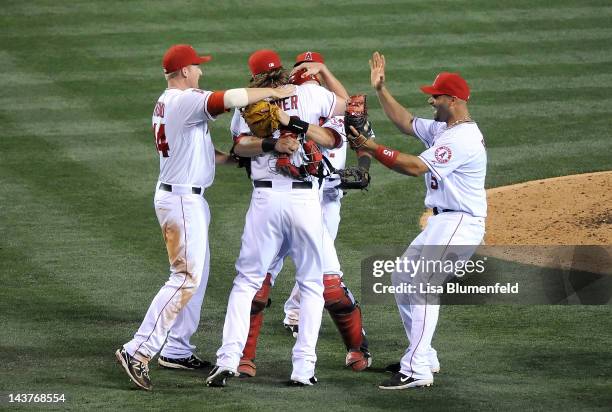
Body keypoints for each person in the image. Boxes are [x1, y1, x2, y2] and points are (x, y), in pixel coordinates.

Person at [114, 44, 295, 391]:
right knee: (184, 278)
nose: (201, 71)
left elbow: (197, 147)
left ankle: (178, 349)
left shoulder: (168, 102)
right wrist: (275, 91)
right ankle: (137, 350)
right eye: (197, 66)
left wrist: (233, 159)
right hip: (181, 200)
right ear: (184, 71)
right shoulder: (185, 100)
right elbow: (231, 98)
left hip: (182, 196)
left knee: (197, 277)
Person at [206, 49, 347, 387]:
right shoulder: (309, 92)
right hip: (304, 200)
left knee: (246, 282)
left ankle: (229, 359)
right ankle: (303, 369)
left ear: (253, 77)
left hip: (265, 200)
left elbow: (240, 148)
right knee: (312, 283)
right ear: (282, 70)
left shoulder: (248, 104)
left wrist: (273, 141)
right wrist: (284, 138)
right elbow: (339, 119)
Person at [350, 51, 487, 389]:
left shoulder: (461, 138)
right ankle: (422, 355)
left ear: (452, 100)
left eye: (436, 95)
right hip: (443, 221)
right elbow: (406, 123)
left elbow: (414, 167)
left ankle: (417, 369)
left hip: (460, 222)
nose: (431, 99)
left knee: (423, 285)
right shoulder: (445, 127)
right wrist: (381, 90)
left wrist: (372, 146)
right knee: (401, 278)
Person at [236, 51, 373, 379]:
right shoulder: (251, 104)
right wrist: (272, 146)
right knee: (258, 284)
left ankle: (356, 346)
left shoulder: (311, 94)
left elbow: (347, 121)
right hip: (274, 200)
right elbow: (240, 146)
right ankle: (244, 355)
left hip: (314, 200)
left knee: (326, 284)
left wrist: (295, 126)